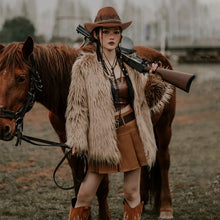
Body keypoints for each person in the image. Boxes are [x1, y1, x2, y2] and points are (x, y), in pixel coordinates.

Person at [65, 6, 171, 220]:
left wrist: (154, 78)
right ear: (96, 35)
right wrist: (77, 138)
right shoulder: (83, 67)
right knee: (85, 193)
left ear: (121, 35)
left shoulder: (130, 64)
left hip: (132, 130)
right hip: (102, 134)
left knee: (133, 193)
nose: (111, 36)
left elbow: (148, 101)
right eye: (106, 32)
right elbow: (77, 107)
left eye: (116, 32)